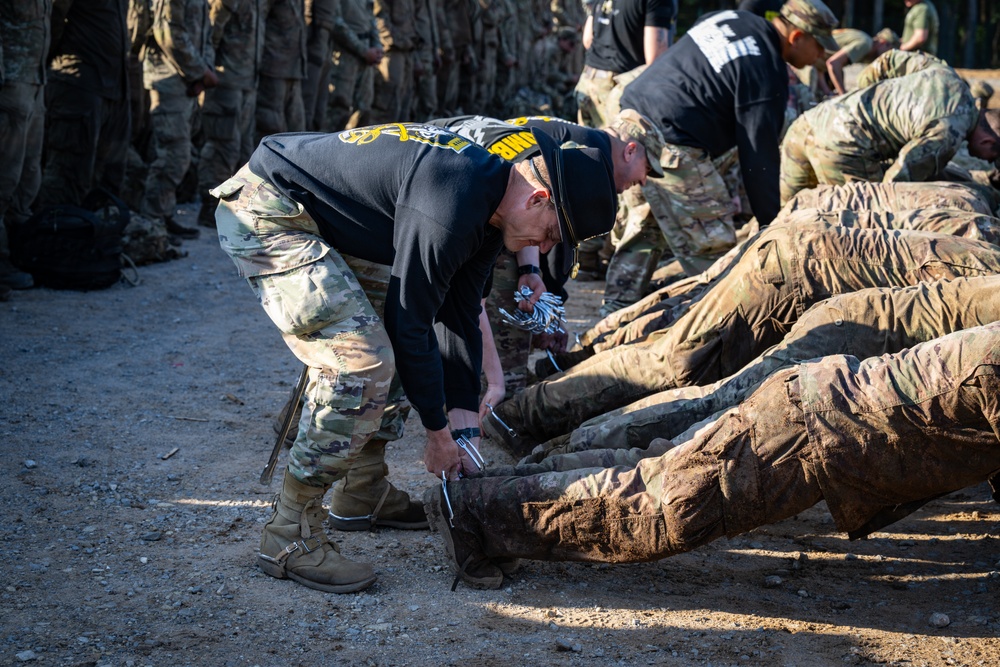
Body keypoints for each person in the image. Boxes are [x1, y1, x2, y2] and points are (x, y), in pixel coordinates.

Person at [211, 123, 616, 593]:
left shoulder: (491, 204)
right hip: (271, 207)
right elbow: (413, 324)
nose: (542, 249)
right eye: (549, 235)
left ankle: (362, 489)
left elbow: (459, 315)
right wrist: (436, 435)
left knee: (400, 343)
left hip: (320, 217)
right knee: (362, 361)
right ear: (537, 197)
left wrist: (465, 439)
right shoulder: (454, 200)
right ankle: (289, 534)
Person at [425, 320, 1000, 589]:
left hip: (821, 411)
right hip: (814, 429)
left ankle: (480, 493)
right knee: (660, 506)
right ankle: (472, 512)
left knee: (657, 470)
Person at [482, 223, 1000, 456]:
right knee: (685, 368)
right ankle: (527, 420)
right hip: (803, 278)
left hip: (806, 265)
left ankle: (552, 394)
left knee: (681, 343)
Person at [532, 275, 1000, 462]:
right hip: (848, 330)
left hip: (852, 318)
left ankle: (569, 438)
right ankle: (576, 444)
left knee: (713, 394)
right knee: (722, 406)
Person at [430, 112, 664, 392]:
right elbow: (541, 226)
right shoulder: (586, 160)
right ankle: (484, 391)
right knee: (505, 307)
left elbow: (533, 214)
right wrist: (544, 309)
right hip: (444, 190)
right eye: (648, 168)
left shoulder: (578, 139)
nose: (645, 181)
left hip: (454, 171)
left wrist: (535, 278)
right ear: (631, 150)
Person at [617, 0, 838, 275]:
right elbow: (759, 157)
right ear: (797, 37)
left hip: (631, 115)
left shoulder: (730, 18)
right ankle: (711, 317)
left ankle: (617, 307)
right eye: (819, 47)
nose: (820, 57)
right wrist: (771, 226)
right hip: (673, 139)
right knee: (715, 253)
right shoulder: (766, 70)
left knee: (647, 225)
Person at [780, 52, 1000, 204]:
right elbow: (894, 186)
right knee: (857, 219)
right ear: (988, 142)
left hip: (810, 121)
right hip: (844, 150)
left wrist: (861, 99)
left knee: (777, 219)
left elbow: (888, 60)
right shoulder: (948, 134)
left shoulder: (946, 74)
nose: (986, 160)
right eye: (991, 157)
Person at [38, 0, 131, 211]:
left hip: (115, 88)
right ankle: (59, 237)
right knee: (68, 174)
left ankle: (100, 236)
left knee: (109, 178)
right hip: (80, 84)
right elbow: (52, 19)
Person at [140, 0, 216, 241]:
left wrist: (200, 74)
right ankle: (152, 222)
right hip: (168, 80)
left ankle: (162, 216)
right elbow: (168, 33)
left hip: (184, 81)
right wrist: (199, 72)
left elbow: (205, 35)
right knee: (173, 154)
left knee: (178, 152)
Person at [196, 0, 265, 229]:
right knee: (222, 145)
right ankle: (210, 206)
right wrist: (207, 71)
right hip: (225, 82)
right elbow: (210, 33)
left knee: (243, 147)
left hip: (247, 81)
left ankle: (235, 206)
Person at [0, 0, 50, 293]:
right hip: (11, 81)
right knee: (5, 177)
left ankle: (21, 251)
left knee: (29, 175)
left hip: (35, 79)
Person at [574, 0, 674, 129]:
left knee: (586, 144)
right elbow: (655, 56)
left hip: (589, 80)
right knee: (618, 146)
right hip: (619, 88)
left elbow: (588, 40)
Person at [823, 27, 899, 95]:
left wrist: (828, 92)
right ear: (884, 43)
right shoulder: (865, 44)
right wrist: (843, 94)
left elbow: (820, 64)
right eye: (890, 51)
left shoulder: (866, 43)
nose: (888, 56)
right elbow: (833, 64)